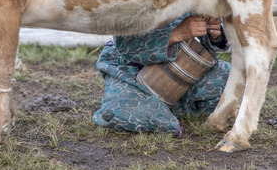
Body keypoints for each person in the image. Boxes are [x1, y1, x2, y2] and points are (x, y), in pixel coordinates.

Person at [93, 14, 231, 136]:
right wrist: (176, 34)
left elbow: (205, 40)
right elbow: (127, 46)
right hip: (134, 71)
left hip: (186, 69)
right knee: (122, 113)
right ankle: (159, 109)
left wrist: (214, 34)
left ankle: (166, 108)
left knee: (229, 83)